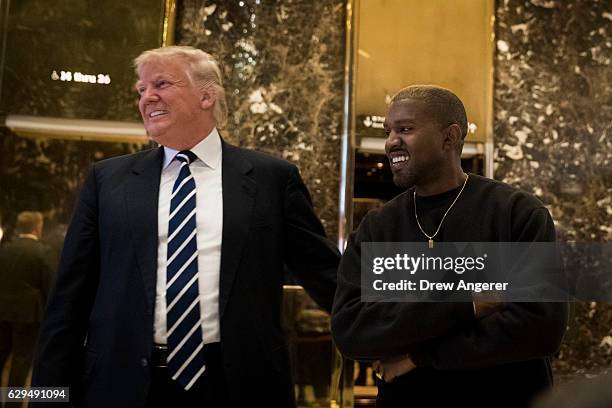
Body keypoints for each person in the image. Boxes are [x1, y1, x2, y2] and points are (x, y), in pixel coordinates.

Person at [31, 46, 340, 407]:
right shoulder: (107, 180)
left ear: (206, 95)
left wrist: (397, 341)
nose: (148, 97)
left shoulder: (272, 179)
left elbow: (326, 274)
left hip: (237, 385)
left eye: (161, 83)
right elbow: (68, 299)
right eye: (141, 89)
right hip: (122, 385)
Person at [331, 85, 568, 407]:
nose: (390, 142)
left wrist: (417, 355)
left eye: (405, 129)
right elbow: (352, 330)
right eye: (388, 132)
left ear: (450, 137)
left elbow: (540, 327)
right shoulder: (378, 228)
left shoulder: (516, 212)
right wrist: (466, 304)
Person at [0, 211, 52, 391]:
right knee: (21, 361)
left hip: (2, 310)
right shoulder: (42, 252)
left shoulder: (4, 248)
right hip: (29, 314)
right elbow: (48, 286)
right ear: (38, 228)